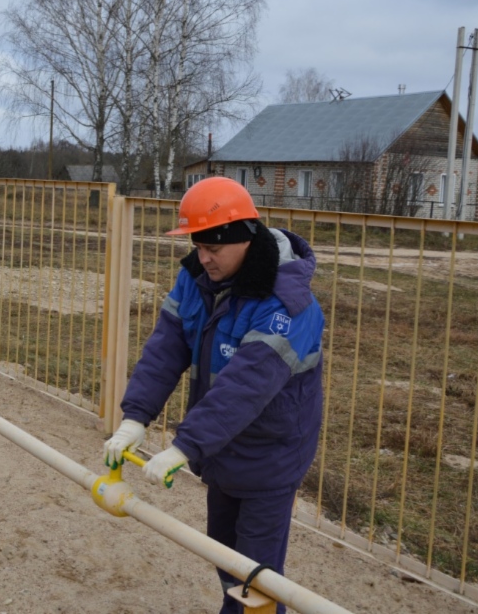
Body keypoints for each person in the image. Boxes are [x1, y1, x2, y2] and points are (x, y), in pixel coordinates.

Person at [103, 176, 324, 614]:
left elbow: (246, 386)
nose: (203, 259)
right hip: (223, 449)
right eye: (197, 246)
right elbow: (167, 346)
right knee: (224, 555)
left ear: (243, 237)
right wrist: (135, 417)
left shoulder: (288, 305)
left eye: (213, 249)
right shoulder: (199, 278)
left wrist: (185, 445)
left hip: (270, 454)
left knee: (257, 578)